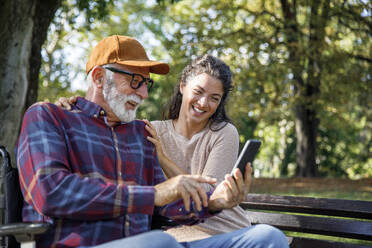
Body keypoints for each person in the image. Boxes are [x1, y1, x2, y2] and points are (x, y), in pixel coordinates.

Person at [19, 34, 288, 248]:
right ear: (99, 77)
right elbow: (51, 192)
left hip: (156, 243)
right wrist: (154, 194)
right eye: (136, 81)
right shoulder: (49, 116)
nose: (145, 93)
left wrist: (214, 202)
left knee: (266, 238)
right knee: (161, 241)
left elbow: (168, 205)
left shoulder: (140, 133)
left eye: (148, 83)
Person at [57, 56, 267, 242]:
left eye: (214, 98)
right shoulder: (150, 130)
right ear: (183, 86)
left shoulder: (223, 132)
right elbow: (108, 116)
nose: (204, 103)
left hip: (225, 230)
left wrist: (163, 158)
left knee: (268, 236)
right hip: (176, 236)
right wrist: (76, 105)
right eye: (199, 92)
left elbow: (208, 196)